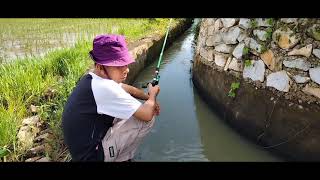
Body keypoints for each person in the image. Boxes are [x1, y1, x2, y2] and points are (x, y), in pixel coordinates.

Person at [62, 34, 160, 162]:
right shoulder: (104, 88)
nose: (126, 70)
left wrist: (146, 97)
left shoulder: (93, 78)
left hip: (83, 146)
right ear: (100, 67)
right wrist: (152, 96)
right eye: (119, 66)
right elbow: (147, 114)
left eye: (125, 64)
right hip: (92, 156)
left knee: (135, 109)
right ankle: (123, 158)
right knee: (147, 118)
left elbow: (129, 89)